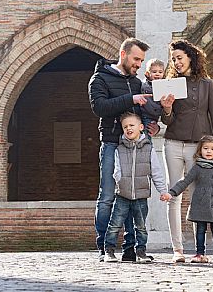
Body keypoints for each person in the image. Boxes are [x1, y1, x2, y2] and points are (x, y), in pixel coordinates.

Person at [160, 39, 213, 263]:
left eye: (179, 57)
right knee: (174, 196)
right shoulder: (171, 82)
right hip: (172, 143)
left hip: (197, 147)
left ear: (191, 56)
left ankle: (199, 251)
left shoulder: (207, 84)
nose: (176, 62)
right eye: (173, 59)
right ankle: (177, 250)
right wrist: (167, 108)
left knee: (197, 197)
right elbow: (167, 120)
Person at [88, 37, 158, 262]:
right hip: (111, 143)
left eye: (141, 60)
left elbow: (142, 113)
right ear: (123, 55)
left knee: (133, 195)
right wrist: (131, 98)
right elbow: (99, 108)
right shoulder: (99, 78)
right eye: (136, 59)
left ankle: (130, 249)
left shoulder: (137, 82)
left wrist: (152, 125)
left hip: (135, 145)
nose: (139, 64)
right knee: (108, 196)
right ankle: (104, 247)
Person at [162, 135, 213, 264]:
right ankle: (199, 254)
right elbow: (185, 181)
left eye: (212, 149)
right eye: (205, 148)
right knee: (200, 230)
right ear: (200, 150)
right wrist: (172, 193)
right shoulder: (197, 167)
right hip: (200, 205)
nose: (208, 151)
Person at [104, 112, 169, 263]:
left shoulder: (149, 149)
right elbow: (116, 169)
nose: (128, 128)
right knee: (115, 224)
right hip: (122, 195)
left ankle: (141, 252)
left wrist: (163, 191)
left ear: (141, 127)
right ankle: (109, 251)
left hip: (141, 196)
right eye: (125, 126)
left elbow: (156, 171)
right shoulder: (119, 148)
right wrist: (119, 180)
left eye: (131, 125)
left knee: (140, 227)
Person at [141, 58, 165, 133]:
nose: (157, 74)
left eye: (160, 72)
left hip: (155, 117)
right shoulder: (145, 86)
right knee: (146, 134)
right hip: (146, 115)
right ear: (148, 73)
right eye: (154, 72)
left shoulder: (163, 85)